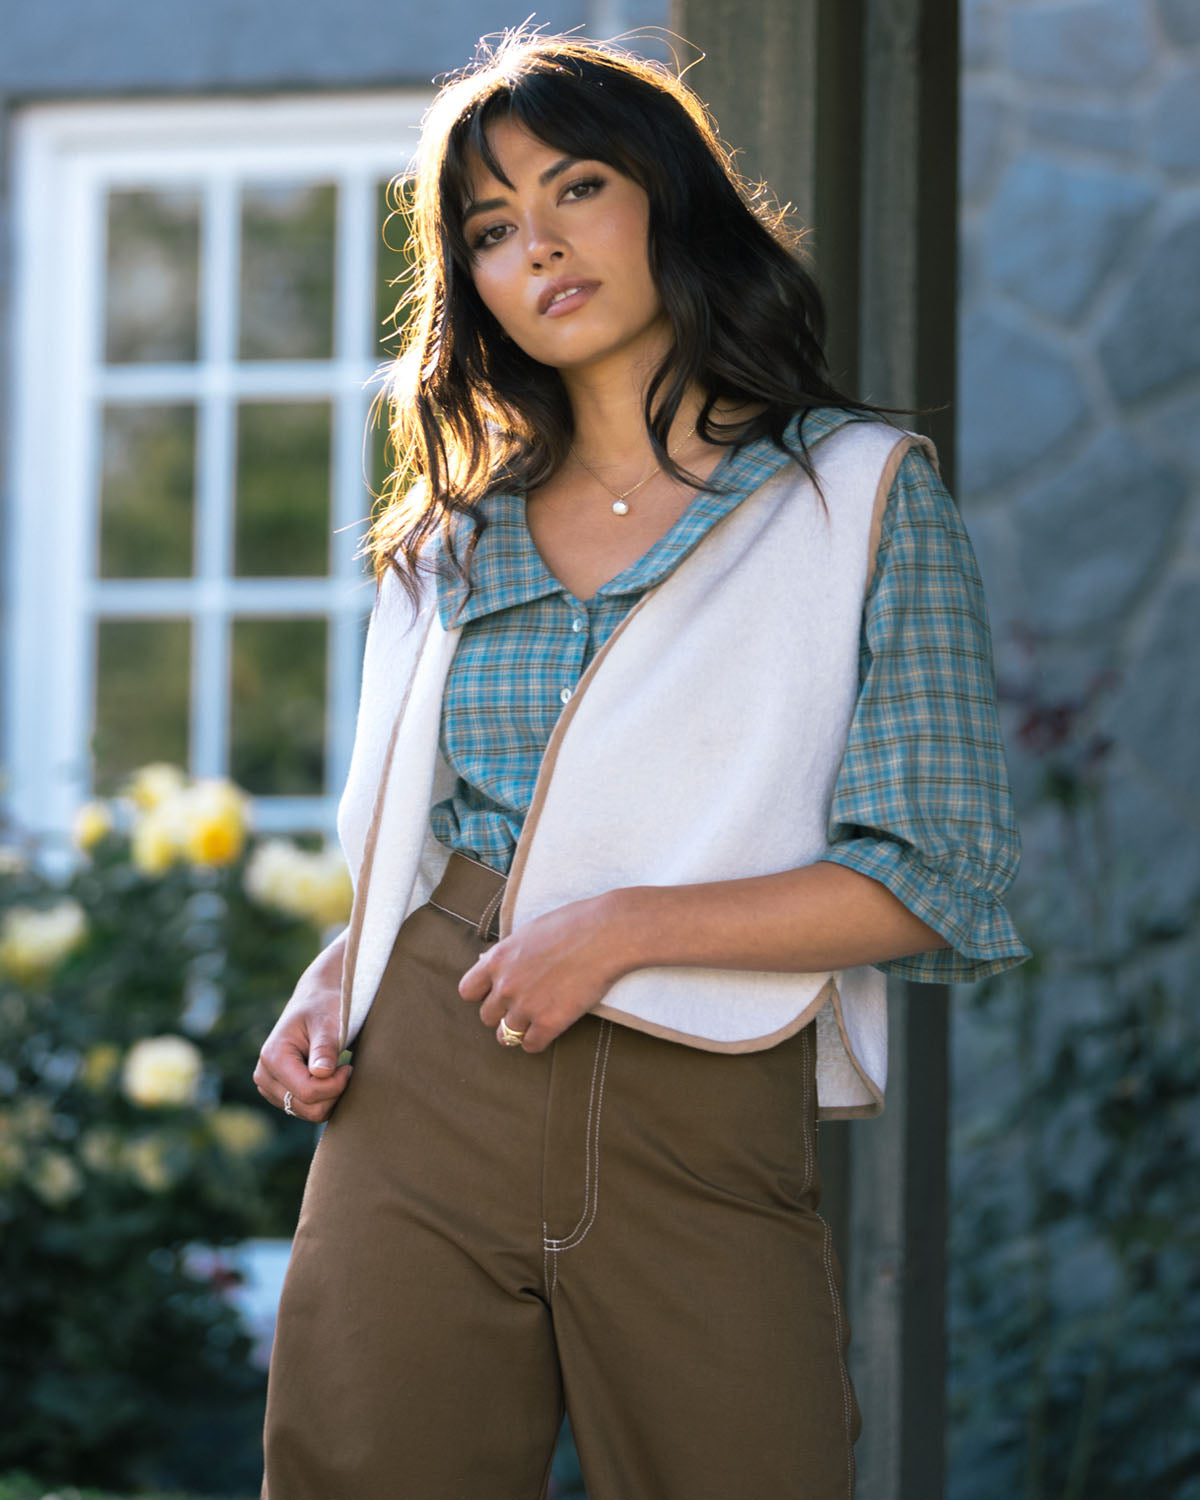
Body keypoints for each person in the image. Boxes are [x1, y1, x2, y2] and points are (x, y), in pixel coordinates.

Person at [252, 28, 1029, 1500]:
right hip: (424, 1075)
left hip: (698, 1093)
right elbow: (452, 827)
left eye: (576, 188)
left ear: (669, 198)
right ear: (469, 283)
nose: (535, 244)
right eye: (489, 229)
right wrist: (345, 964)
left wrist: (622, 931)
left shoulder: (858, 496)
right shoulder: (445, 538)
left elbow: (939, 871)